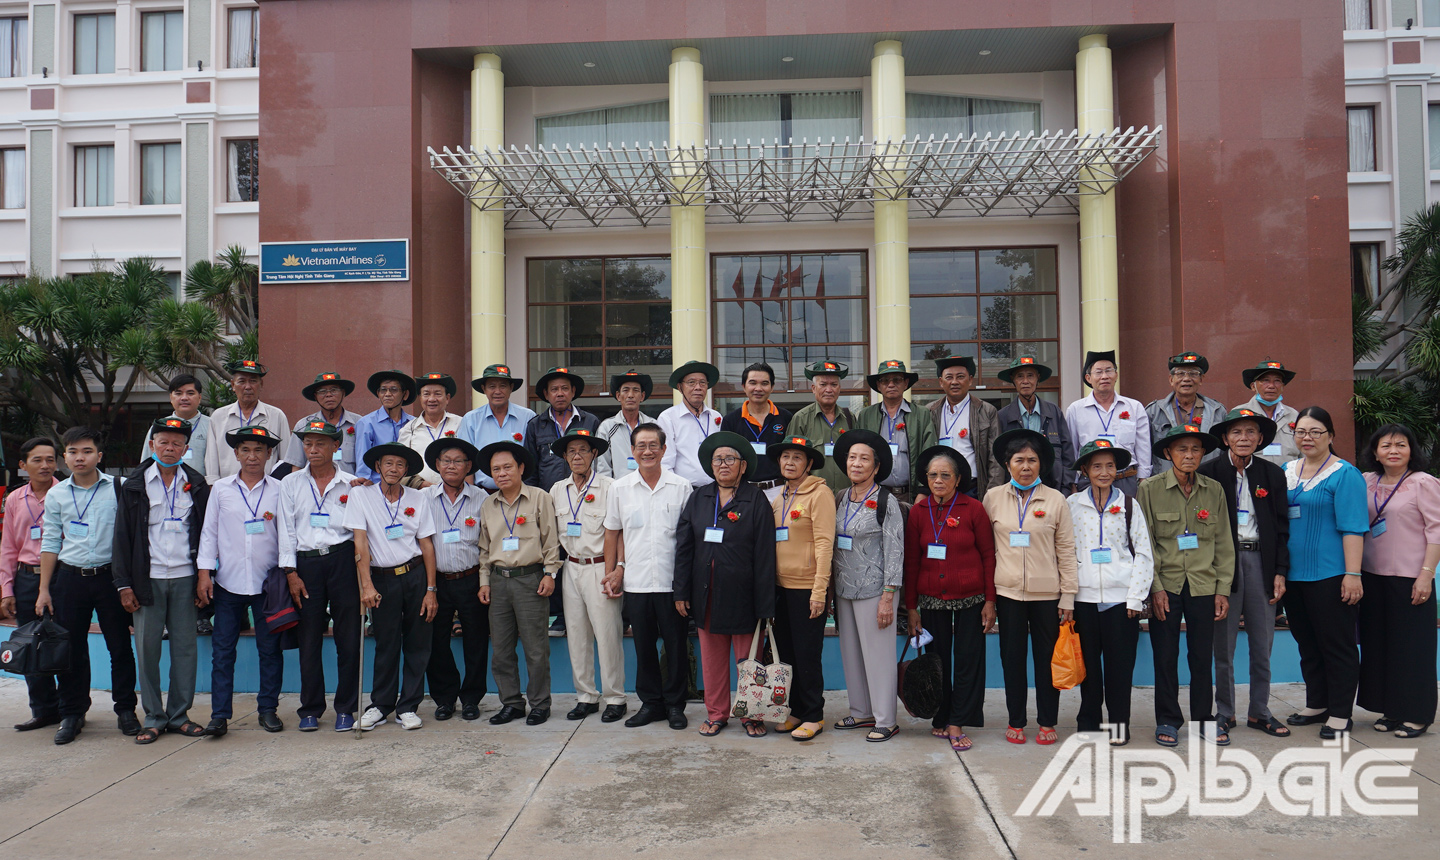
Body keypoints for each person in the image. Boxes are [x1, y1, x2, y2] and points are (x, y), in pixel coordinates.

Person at [34, 427, 140, 744]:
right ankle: (72, 713)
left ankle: (125, 710)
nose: (80, 458)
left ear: (99, 455)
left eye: (87, 451)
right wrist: (44, 589)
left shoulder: (118, 488)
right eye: (73, 452)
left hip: (110, 578)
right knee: (71, 650)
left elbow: (130, 538)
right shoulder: (57, 494)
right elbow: (51, 542)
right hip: (70, 578)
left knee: (120, 647)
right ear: (65, 457)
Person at [114, 417, 211, 744]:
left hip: (185, 577)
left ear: (186, 448)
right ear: (153, 445)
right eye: (163, 443)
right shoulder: (135, 484)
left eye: (177, 444)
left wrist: (203, 576)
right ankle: (154, 716)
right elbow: (122, 538)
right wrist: (124, 584)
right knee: (148, 649)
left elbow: (206, 534)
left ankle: (179, 715)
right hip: (148, 580)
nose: (170, 449)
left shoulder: (196, 484)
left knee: (186, 649)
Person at [674, 430, 777, 738]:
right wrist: (681, 591)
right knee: (713, 661)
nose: (723, 465)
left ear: (743, 466)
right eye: (718, 459)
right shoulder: (699, 497)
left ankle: (751, 715)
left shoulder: (755, 499)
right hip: (706, 594)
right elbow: (684, 547)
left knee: (749, 661)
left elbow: (765, 556)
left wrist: (766, 603)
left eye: (730, 459)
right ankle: (717, 713)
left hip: (744, 596)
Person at [1138, 424, 1234, 747]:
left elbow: (1224, 543)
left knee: (1201, 656)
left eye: (1195, 449)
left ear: (1203, 453)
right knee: (1165, 656)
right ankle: (1168, 719)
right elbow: (1145, 543)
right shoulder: (1149, 490)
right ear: (1168, 454)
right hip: (1166, 585)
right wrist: (1155, 588)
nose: (1190, 455)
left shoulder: (1214, 490)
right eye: (1182, 449)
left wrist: (1223, 589)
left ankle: (1204, 719)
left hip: (1203, 585)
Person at [1198, 408, 1292, 738]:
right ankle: (1225, 711)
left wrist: (1280, 571)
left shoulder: (1272, 475)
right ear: (1224, 439)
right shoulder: (1208, 473)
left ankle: (1260, 711)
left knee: (1262, 642)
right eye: (1236, 432)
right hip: (1222, 564)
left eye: (1251, 432)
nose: (1243, 438)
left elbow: (1281, 529)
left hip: (1260, 563)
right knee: (1222, 646)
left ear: (1261, 439)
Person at [984, 428, 1077, 746]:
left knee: (1045, 660)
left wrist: (1068, 596)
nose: (1026, 466)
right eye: (1019, 460)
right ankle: (1016, 720)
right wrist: (989, 598)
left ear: (1042, 464)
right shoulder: (993, 498)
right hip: (1007, 595)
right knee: (1012, 659)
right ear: (1008, 464)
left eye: (1032, 460)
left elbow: (1066, 551)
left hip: (1047, 597)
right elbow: (986, 551)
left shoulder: (1056, 500)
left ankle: (1048, 721)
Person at [1282, 406, 1368, 739]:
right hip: (1294, 576)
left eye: (1315, 431)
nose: (1307, 438)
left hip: (1332, 575)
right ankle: (1317, 703)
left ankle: (1341, 713)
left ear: (1330, 436)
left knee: (1337, 645)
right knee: (1307, 642)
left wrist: (1353, 574)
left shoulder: (1344, 474)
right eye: (1301, 431)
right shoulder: (1288, 470)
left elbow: (1353, 528)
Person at [906, 445, 996, 751]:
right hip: (931, 599)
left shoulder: (974, 508)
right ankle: (942, 717)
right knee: (938, 662)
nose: (939, 480)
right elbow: (912, 562)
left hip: (971, 598)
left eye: (946, 475)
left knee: (969, 660)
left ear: (958, 480)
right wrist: (911, 608)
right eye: (933, 475)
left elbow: (988, 556)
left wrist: (990, 601)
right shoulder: (918, 512)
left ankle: (959, 719)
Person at [605, 423, 694, 730]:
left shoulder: (681, 487)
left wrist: (685, 585)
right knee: (643, 646)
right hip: (637, 582)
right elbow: (614, 533)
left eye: (653, 445)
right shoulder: (620, 488)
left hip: (672, 584)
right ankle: (651, 703)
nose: (647, 451)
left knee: (676, 646)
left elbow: (688, 540)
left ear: (663, 450)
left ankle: (674, 705)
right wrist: (614, 571)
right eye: (640, 446)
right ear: (632, 451)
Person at [197, 426, 285, 737]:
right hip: (228, 584)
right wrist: (204, 573)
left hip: (267, 586)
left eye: (259, 450)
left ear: (269, 454)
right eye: (245, 450)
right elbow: (209, 533)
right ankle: (220, 715)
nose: (252, 456)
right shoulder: (220, 489)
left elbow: (286, 536)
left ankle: (267, 709)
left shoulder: (278, 490)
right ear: (236, 454)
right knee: (222, 652)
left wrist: (288, 572)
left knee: (269, 650)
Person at [1067, 440, 1153, 745]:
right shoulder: (1072, 505)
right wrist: (1068, 598)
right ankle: (1088, 723)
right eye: (1097, 466)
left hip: (1120, 603)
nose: (1104, 472)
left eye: (1110, 466)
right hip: (1084, 602)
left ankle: (1119, 726)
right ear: (1085, 471)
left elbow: (1143, 553)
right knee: (1088, 669)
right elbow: (1064, 552)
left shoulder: (1129, 504)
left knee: (1119, 671)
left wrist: (1135, 597)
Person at [278, 420, 361, 732]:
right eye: (308, 443)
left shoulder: (352, 484)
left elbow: (359, 531)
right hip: (306, 565)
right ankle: (310, 708)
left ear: (336, 447)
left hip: (342, 561)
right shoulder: (291, 484)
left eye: (320, 444)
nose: (312, 450)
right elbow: (285, 530)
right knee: (309, 638)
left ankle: (346, 708)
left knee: (348, 638)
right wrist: (290, 572)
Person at [350, 443, 438, 731]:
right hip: (382, 578)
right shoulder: (360, 495)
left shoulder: (418, 497)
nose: (393, 469)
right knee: (386, 643)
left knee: (418, 643)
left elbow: (426, 545)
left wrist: (431, 590)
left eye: (400, 465)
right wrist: (366, 585)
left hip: (414, 576)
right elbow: (360, 543)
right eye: (388, 463)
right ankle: (380, 705)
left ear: (406, 470)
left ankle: (408, 706)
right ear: (377, 467)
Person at [1358, 423, 1438, 738]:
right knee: (1380, 647)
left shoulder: (1423, 484)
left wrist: (1426, 575)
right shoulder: (1366, 482)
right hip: (1371, 577)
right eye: (1386, 445)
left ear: (1411, 450)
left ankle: (1417, 714)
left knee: (1412, 649)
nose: (1393, 451)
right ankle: (1391, 709)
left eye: (1401, 445)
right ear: (1375, 452)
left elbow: (1436, 530)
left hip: (1410, 578)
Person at [476, 439, 562, 726]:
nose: (502, 473)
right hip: (499, 582)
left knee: (536, 649)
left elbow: (552, 540)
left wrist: (550, 574)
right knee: (501, 650)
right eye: (496, 469)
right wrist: (484, 581)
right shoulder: (489, 504)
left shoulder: (539, 497)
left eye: (507, 467)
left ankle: (539, 704)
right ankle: (511, 703)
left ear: (521, 468)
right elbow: (485, 549)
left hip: (531, 580)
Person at [829, 430, 904, 742]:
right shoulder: (839, 498)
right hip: (844, 588)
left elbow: (896, 550)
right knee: (851, 653)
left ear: (876, 468)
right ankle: (861, 712)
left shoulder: (886, 501)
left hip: (875, 590)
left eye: (864, 459)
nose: (856, 463)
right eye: (852, 457)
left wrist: (889, 595)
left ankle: (885, 719)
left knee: (878, 655)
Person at [549, 428, 626, 722]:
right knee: (577, 635)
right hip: (571, 567)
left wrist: (616, 570)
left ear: (594, 454)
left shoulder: (610, 487)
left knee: (607, 635)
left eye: (583, 450)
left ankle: (615, 697)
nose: (577, 456)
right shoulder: (557, 490)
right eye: (571, 451)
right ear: (565, 457)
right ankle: (585, 696)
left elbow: (618, 533)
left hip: (600, 568)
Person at [766, 435, 836, 740]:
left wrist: (819, 591)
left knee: (808, 654)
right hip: (781, 587)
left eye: (797, 458)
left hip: (807, 588)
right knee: (788, 653)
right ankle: (795, 710)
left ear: (808, 464)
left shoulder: (819, 494)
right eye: (785, 457)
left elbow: (824, 543)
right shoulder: (779, 496)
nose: (789, 463)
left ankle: (814, 715)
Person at [525, 366, 599, 637]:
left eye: (565, 388)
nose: (560, 393)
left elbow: (598, 460)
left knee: (584, 552)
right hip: (550, 500)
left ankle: (589, 609)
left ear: (573, 392)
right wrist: (535, 502)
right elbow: (530, 468)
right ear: (545, 394)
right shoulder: (535, 425)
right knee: (553, 553)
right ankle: (558, 615)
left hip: (585, 498)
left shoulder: (590, 421)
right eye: (554, 389)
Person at [420, 437, 490, 722]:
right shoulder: (423, 499)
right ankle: (445, 698)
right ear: (437, 465)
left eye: (458, 461)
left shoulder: (482, 498)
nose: (452, 466)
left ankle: (472, 698)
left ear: (468, 466)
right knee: (436, 642)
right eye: (446, 461)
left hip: (471, 579)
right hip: (436, 581)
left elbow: (487, 542)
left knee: (476, 641)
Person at [1, 438, 61, 732]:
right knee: (29, 645)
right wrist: (7, 589)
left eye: (50, 459)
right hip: (26, 577)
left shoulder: (67, 492)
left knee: (66, 642)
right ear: (23, 465)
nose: (45, 465)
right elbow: (8, 547)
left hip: (63, 576)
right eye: (37, 460)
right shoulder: (14, 499)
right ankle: (43, 709)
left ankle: (72, 707)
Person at [1065, 350, 1151, 496]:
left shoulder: (1134, 407)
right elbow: (1071, 449)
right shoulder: (1075, 409)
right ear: (1088, 378)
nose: (1104, 376)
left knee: (1128, 517)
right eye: (1098, 372)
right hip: (1089, 480)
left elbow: (1143, 447)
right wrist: (1072, 483)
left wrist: (1144, 480)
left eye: (1109, 371)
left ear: (1116, 375)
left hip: (1126, 479)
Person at [855, 360, 938, 503]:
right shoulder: (866, 415)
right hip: (873, 494)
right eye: (885, 380)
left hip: (910, 495)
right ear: (878, 386)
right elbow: (857, 455)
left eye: (897, 380)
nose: (891, 384)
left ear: (906, 384)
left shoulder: (921, 414)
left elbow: (929, 454)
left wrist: (923, 491)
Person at [927, 356, 1004, 498]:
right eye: (949, 377)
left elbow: (995, 457)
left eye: (960, 377)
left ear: (970, 380)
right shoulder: (930, 411)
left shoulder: (986, 411)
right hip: (938, 488)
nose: (954, 382)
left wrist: (993, 494)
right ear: (941, 382)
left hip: (973, 489)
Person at [204, 360, 290, 483]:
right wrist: (213, 484)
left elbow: (285, 459)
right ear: (233, 385)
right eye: (242, 381)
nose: (248, 386)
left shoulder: (276, 416)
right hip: (228, 487)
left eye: (253, 381)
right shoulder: (218, 416)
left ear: (261, 384)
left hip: (267, 489)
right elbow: (211, 457)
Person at [996, 356, 1074, 490]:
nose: (1025, 381)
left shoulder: (1054, 412)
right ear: (1013, 381)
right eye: (1020, 376)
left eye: (1030, 376)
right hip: (1016, 489)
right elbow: (998, 460)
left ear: (1038, 378)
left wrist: (1066, 487)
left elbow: (1067, 453)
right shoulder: (1002, 416)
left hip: (1052, 487)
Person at [458, 364, 537, 492]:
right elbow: (466, 460)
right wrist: (472, 494)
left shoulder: (528, 417)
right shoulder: (471, 419)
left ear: (511, 388)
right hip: (483, 493)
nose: (498, 391)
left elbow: (533, 458)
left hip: (521, 493)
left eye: (503, 386)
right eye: (492, 386)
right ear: (484, 389)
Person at [1145, 353, 1228, 473]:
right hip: (1166, 482)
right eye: (1180, 374)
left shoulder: (1217, 411)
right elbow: (1145, 452)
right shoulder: (1154, 411)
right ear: (1171, 380)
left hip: (1207, 480)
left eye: (1193, 374)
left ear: (1201, 380)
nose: (1187, 379)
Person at [719, 362, 793, 491]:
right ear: (744, 386)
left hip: (778, 489)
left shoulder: (786, 417)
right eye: (753, 383)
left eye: (764, 383)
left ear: (772, 387)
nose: (758, 388)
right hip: (743, 490)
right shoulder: (730, 420)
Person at [786, 360, 856, 491]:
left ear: (839, 389)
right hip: (813, 494)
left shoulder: (849, 418)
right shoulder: (801, 418)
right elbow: (791, 461)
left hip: (847, 494)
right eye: (823, 384)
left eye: (834, 384)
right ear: (813, 388)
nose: (829, 389)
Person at [658, 360, 724, 488]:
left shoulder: (716, 416)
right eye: (691, 382)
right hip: (684, 489)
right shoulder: (668, 418)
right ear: (680, 387)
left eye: (702, 383)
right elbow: (666, 461)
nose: (698, 387)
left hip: (716, 488)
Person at [283, 372, 364, 475]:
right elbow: (296, 466)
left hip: (350, 488)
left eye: (334, 390)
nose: (329, 395)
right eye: (322, 391)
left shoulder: (359, 423)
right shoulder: (303, 425)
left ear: (343, 393)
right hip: (314, 489)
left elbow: (365, 465)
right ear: (315, 396)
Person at [399, 372, 463, 488]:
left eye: (438, 394)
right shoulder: (409, 429)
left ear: (447, 398)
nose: (432, 399)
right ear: (420, 398)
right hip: (419, 493)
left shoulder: (461, 424)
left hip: (455, 492)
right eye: (426, 394)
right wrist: (421, 484)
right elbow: (400, 464)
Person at [354, 370, 417, 483]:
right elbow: (362, 462)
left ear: (405, 394)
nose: (387, 394)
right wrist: (365, 485)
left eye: (393, 390)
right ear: (378, 393)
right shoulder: (366, 423)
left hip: (408, 486)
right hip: (376, 486)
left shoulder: (413, 423)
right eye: (383, 390)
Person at [141, 374, 212, 473]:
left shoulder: (212, 426)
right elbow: (146, 462)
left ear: (199, 397)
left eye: (190, 393)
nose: (184, 398)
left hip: (202, 486)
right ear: (171, 397)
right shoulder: (159, 427)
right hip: (164, 486)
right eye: (178, 393)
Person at [596, 370, 658, 479]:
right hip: (618, 491)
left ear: (642, 396)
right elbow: (603, 467)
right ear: (618, 396)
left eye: (636, 390)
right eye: (625, 390)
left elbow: (661, 459)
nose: (630, 395)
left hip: (648, 488)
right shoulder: (607, 427)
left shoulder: (653, 425)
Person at [1237, 360, 1301, 465]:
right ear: (1253, 386)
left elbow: (1304, 451)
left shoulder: (1293, 415)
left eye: (1277, 381)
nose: (1271, 386)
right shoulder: (1240, 414)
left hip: (1289, 478)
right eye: (1265, 380)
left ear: (1282, 386)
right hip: (1254, 477)